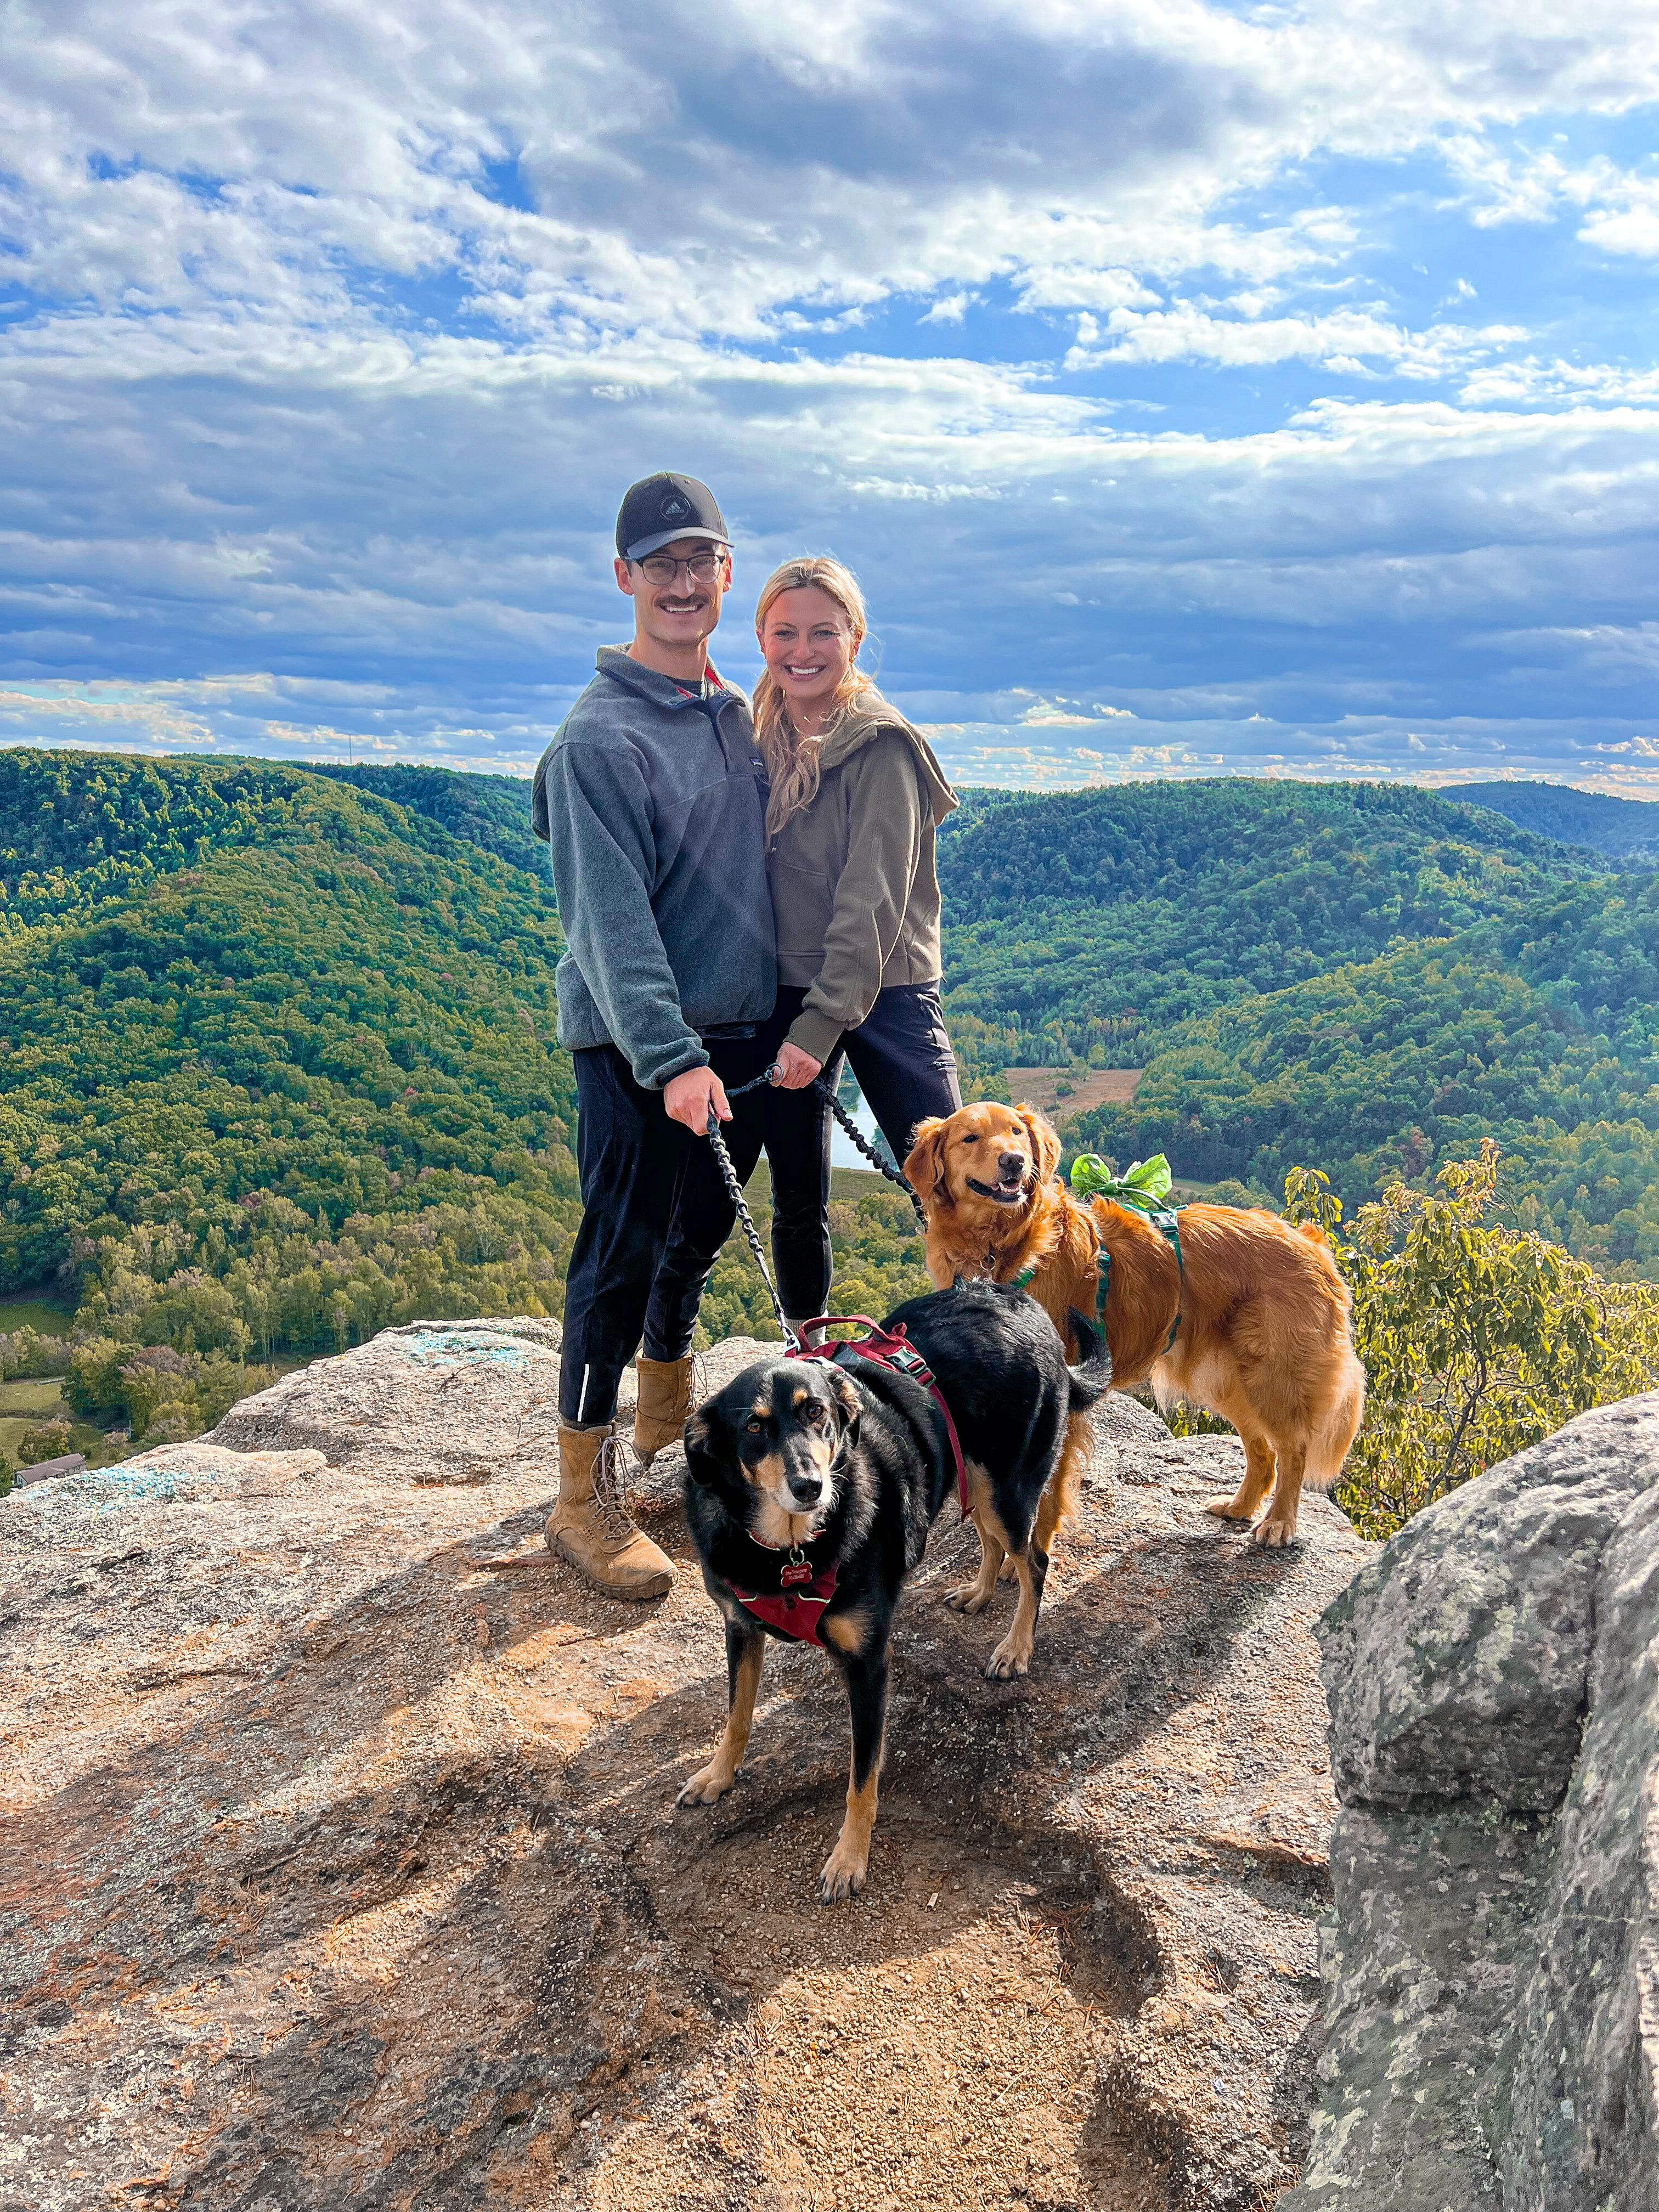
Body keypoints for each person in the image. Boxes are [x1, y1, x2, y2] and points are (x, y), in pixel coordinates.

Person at [531, 471, 776, 1600]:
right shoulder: (599, 741)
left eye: (702, 562)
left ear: (726, 574)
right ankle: (582, 1502)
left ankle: (668, 1406)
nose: (683, 583)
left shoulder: (727, 712)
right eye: (660, 564)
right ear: (623, 578)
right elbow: (611, 923)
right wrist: (670, 1056)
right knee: (619, 1262)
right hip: (639, 1051)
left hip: (742, 1037)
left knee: (706, 1230)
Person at [751, 555, 962, 1330]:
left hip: (886, 990)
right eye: (784, 632)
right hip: (783, 988)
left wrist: (819, 1024)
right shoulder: (760, 731)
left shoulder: (882, 745)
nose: (802, 650)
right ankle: (808, 1351)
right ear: (762, 638)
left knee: (951, 1191)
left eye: (822, 633)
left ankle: (994, 1365)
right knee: (798, 1198)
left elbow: (870, 901)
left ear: (855, 638)